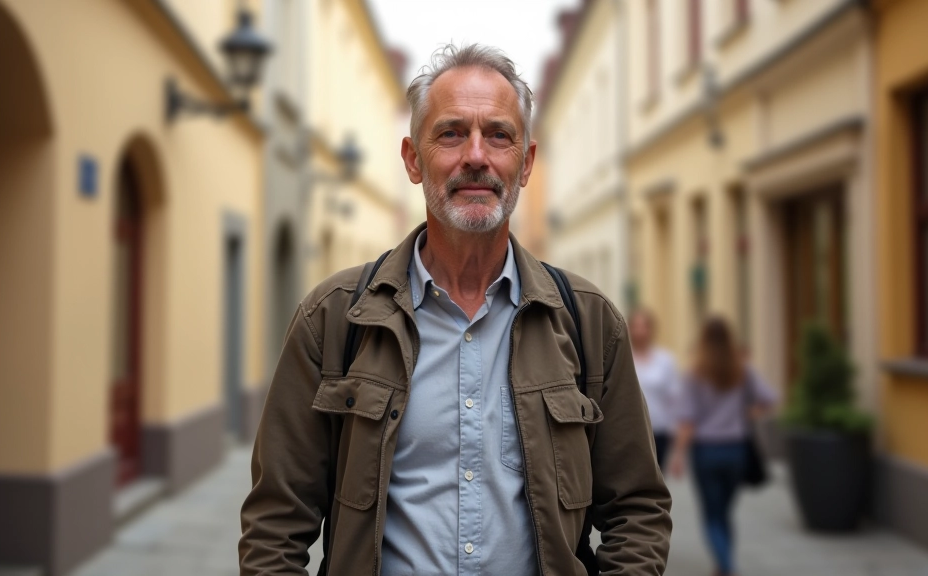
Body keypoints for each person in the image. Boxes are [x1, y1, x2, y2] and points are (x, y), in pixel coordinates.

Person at [239, 44, 672, 575]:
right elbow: (275, 525)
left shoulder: (589, 322)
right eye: (450, 133)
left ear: (526, 162)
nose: (476, 156)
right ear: (412, 159)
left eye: (499, 135)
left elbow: (638, 509)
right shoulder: (333, 319)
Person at [669, 317, 775, 576]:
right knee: (725, 512)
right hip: (736, 451)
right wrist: (747, 414)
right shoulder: (742, 370)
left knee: (712, 514)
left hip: (706, 452)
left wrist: (678, 454)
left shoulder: (695, 374)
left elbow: (687, 421)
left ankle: (726, 566)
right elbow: (770, 398)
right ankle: (723, 563)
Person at [629, 308, 681, 469]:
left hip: (658, 430)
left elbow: (673, 398)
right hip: (630, 431)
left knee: (657, 475)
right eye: (635, 326)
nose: (640, 331)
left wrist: (676, 437)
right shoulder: (623, 358)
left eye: (644, 326)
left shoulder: (665, 360)